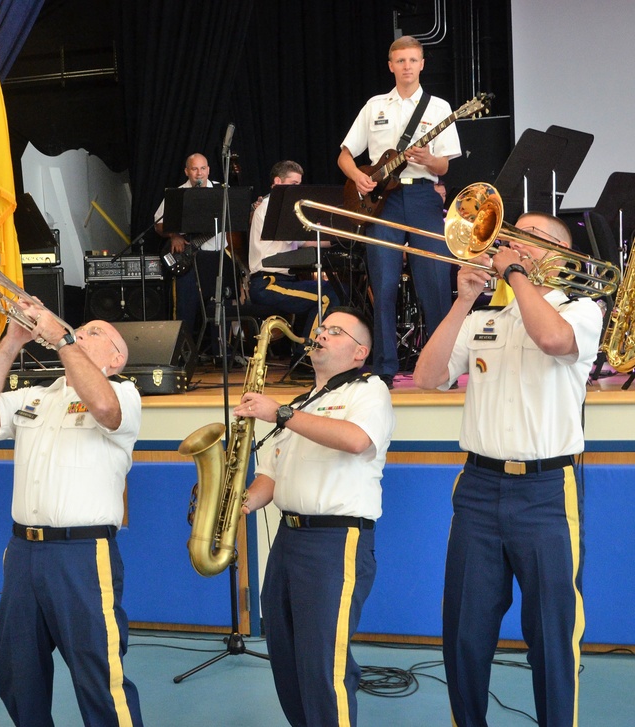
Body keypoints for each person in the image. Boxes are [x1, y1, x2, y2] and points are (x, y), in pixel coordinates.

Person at [412, 212, 601, 727]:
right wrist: (463, 299)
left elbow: (556, 343)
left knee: (551, 636)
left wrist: (514, 274)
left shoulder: (582, 310)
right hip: (477, 487)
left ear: (564, 258)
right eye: (513, 235)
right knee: (464, 633)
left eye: (534, 239)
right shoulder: (482, 320)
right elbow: (427, 377)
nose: (516, 243)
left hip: (545, 491)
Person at [0, 304, 143, 727]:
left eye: (94, 331)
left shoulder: (124, 393)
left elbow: (103, 408)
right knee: (17, 672)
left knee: (99, 676)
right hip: (23, 551)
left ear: (116, 359)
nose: (81, 330)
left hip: (81, 554)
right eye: (81, 327)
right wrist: (11, 342)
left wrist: (63, 340)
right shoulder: (36, 397)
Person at [236, 307, 395, 726]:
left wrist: (281, 414)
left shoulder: (369, 390)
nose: (320, 334)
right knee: (286, 658)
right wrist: (241, 504)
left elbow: (356, 440)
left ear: (360, 352)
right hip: (288, 540)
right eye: (321, 328)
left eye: (335, 331)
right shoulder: (298, 404)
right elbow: (269, 476)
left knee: (324, 665)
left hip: (335, 541)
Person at [338, 35, 462, 388]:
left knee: (435, 282)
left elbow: (444, 167)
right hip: (383, 202)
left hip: (423, 198)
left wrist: (428, 159)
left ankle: (442, 369)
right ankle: (383, 368)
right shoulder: (375, 105)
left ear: (422, 64)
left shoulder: (440, 108)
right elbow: (345, 153)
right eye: (400, 61)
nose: (407, 66)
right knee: (384, 284)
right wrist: (358, 176)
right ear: (391, 65)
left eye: (413, 60)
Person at [248, 159, 335, 350]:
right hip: (268, 283)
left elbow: (306, 241)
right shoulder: (272, 207)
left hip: (281, 281)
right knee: (326, 295)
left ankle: (306, 351)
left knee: (330, 291)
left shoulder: (282, 209)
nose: (298, 189)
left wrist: (342, 239)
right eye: (294, 184)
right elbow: (306, 234)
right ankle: (307, 355)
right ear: (278, 182)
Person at [154, 152, 231, 363]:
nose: (199, 173)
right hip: (188, 260)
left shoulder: (221, 192)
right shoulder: (177, 194)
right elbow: (158, 224)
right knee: (185, 307)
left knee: (220, 304)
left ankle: (221, 354)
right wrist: (174, 235)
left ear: (209, 170)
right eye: (195, 169)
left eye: (203, 168)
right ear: (187, 171)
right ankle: (183, 356)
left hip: (216, 257)